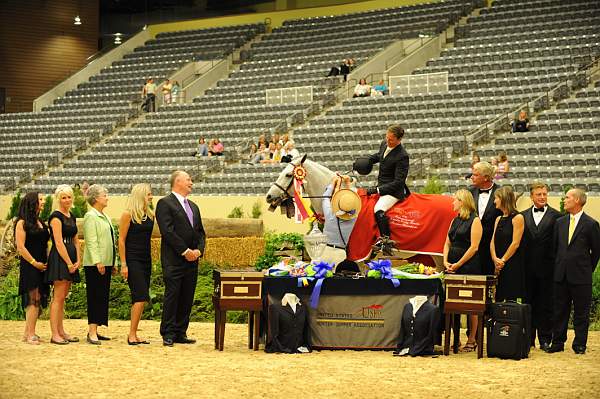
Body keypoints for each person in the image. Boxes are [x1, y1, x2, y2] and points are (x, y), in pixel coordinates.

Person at [155, 170, 206, 346]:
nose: (191, 182)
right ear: (177, 182)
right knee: (173, 295)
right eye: (188, 180)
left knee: (187, 296)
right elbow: (167, 231)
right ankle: (168, 332)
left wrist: (199, 250)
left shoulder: (194, 206)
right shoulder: (164, 203)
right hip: (174, 260)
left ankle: (180, 331)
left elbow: (200, 232)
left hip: (193, 261)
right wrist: (185, 251)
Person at [547, 188, 600, 355]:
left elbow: (596, 252)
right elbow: (555, 249)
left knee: (581, 312)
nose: (564, 199)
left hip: (581, 276)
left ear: (577, 200)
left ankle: (579, 345)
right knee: (559, 310)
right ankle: (557, 343)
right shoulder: (560, 222)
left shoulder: (591, 224)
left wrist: (585, 269)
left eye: (568, 197)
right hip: (561, 274)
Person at [521, 182, 561, 350]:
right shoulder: (522, 216)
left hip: (548, 270)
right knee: (528, 304)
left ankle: (545, 338)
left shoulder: (557, 216)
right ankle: (528, 339)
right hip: (527, 269)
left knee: (546, 305)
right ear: (531, 197)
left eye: (545, 194)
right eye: (539, 194)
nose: (543, 197)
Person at [443, 189, 482, 352]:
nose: (452, 202)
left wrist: (458, 264)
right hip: (452, 266)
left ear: (462, 202)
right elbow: (447, 242)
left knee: (471, 305)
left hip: (469, 266)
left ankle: (472, 339)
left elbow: (474, 247)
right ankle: (456, 339)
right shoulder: (454, 220)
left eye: (455, 200)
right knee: (452, 304)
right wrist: (445, 261)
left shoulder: (475, 221)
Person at [362, 124, 410, 255]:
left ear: (399, 140)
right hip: (382, 184)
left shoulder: (402, 156)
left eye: (391, 140)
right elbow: (380, 155)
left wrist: (378, 190)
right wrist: (368, 160)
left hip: (393, 191)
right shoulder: (385, 143)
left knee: (378, 210)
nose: (387, 141)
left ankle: (386, 241)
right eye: (387, 138)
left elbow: (399, 182)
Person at [119, 183, 154, 345]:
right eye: (148, 194)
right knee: (140, 296)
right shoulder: (128, 214)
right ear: (140, 195)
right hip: (132, 260)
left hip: (146, 260)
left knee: (140, 298)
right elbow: (121, 240)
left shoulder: (150, 214)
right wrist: (124, 264)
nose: (151, 196)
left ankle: (133, 333)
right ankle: (132, 334)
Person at [45, 184, 81, 345]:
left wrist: (79, 259)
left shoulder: (71, 215)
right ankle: (55, 334)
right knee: (58, 297)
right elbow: (58, 243)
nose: (67, 200)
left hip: (71, 258)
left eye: (69, 197)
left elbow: (75, 239)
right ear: (58, 199)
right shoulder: (55, 217)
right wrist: (68, 263)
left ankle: (62, 331)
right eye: (64, 197)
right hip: (60, 259)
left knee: (63, 297)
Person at [82, 184, 116, 345]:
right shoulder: (91, 216)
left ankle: (97, 329)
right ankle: (91, 332)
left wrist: (113, 261)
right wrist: (97, 261)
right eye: (104, 195)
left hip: (106, 262)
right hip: (95, 264)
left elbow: (111, 241)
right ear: (96, 198)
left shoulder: (105, 216)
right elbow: (91, 241)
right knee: (95, 296)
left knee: (102, 297)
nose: (107, 197)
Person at [15, 192, 50, 345]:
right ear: (32, 203)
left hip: (42, 265)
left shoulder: (40, 221)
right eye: (40, 200)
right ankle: (30, 334)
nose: (43, 202)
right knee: (33, 299)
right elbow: (21, 247)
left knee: (38, 298)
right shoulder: (21, 223)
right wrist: (34, 262)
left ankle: (27, 333)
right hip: (30, 266)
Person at [490, 186, 525, 302]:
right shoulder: (498, 219)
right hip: (498, 264)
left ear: (503, 199)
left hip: (511, 263)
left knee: (510, 298)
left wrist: (502, 261)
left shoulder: (518, 218)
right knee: (498, 297)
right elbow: (492, 242)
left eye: (496, 198)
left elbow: (515, 243)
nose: (494, 201)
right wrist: (495, 259)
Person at [468, 161, 502, 275]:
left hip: (494, 247)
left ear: (486, 177)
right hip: (472, 247)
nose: (472, 177)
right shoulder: (469, 192)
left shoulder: (501, 192)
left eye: (475, 175)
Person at [320, 175, 360, 269]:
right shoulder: (354, 217)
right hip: (341, 254)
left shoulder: (330, 214)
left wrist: (332, 183)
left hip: (325, 250)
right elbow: (350, 199)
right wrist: (348, 183)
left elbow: (325, 198)